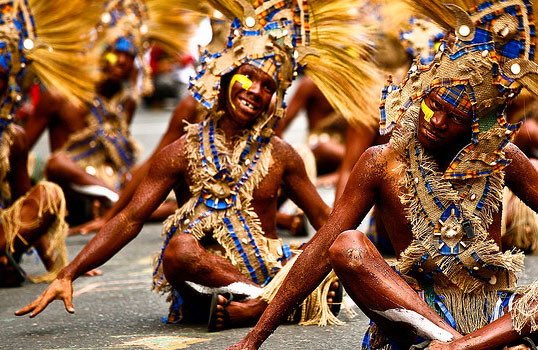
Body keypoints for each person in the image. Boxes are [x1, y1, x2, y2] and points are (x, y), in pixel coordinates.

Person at [226, 1, 538, 349]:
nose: (436, 123)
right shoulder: (381, 161)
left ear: (478, 125)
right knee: (347, 246)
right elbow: (320, 250)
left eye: (455, 119)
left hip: (498, 314)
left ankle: (468, 347)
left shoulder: (505, 158)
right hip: (415, 317)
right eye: (433, 107)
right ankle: (459, 343)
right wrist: (254, 338)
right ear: (422, 95)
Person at [16, 0, 380, 330]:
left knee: (321, 253)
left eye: (267, 86)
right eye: (247, 76)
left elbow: (326, 222)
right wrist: (69, 273)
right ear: (223, 79)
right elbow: (130, 219)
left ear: (275, 100)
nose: (255, 90)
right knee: (180, 250)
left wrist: (349, 269)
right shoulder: (181, 151)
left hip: (271, 269)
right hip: (205, 276)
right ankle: (274, 304)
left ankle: (257, 308)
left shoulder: (282, 154)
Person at [23, 0, 196, 224]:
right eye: (114, 52)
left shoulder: (127, 102)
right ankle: (121, 207)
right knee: (58, 163)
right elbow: (21, 151)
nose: (121, 61)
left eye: (129, 55)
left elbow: (122, 162)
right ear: (98, 52)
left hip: (114, 184)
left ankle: (118, 210)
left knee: (177, 192)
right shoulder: (62, 98)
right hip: (73, 197)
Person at [0, 0, 103, 286]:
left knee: (48, 196)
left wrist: (61, 267)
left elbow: (26, 204)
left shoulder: (13, 137)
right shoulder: (55, 100)